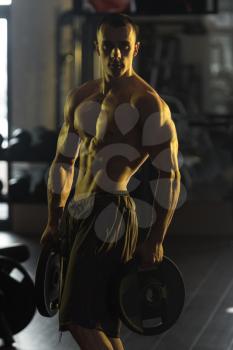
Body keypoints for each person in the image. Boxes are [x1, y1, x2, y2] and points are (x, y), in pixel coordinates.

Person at [40, 13, 181, 350]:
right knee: (104, 325)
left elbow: (169, 175)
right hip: (78, 210)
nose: (116, 54)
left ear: (136, 49)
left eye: (123, 47)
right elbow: (63, 162)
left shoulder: (147, 104)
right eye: (109, 47)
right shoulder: (80, 98)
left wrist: (157, 238)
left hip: (111, 214)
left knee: (77, 321)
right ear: (97, 48)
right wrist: (54, 218)